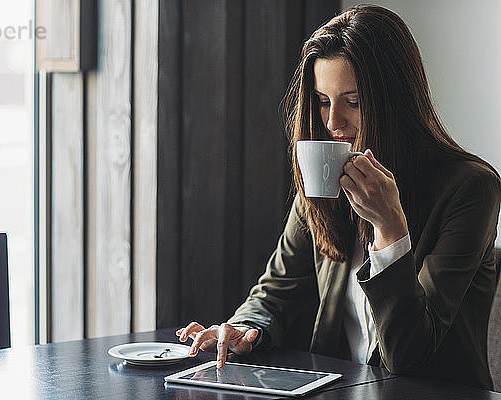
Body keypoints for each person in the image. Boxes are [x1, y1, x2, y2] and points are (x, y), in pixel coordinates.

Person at [175, 4, 501, 390]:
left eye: (353, 101)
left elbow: (409, 354)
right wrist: (245, 327)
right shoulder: (326, 178)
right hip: (342, 390)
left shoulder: (469, 187)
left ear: (395, 101)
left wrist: (389, 228)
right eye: (323, 101)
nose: (333, 123)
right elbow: (275, 292)